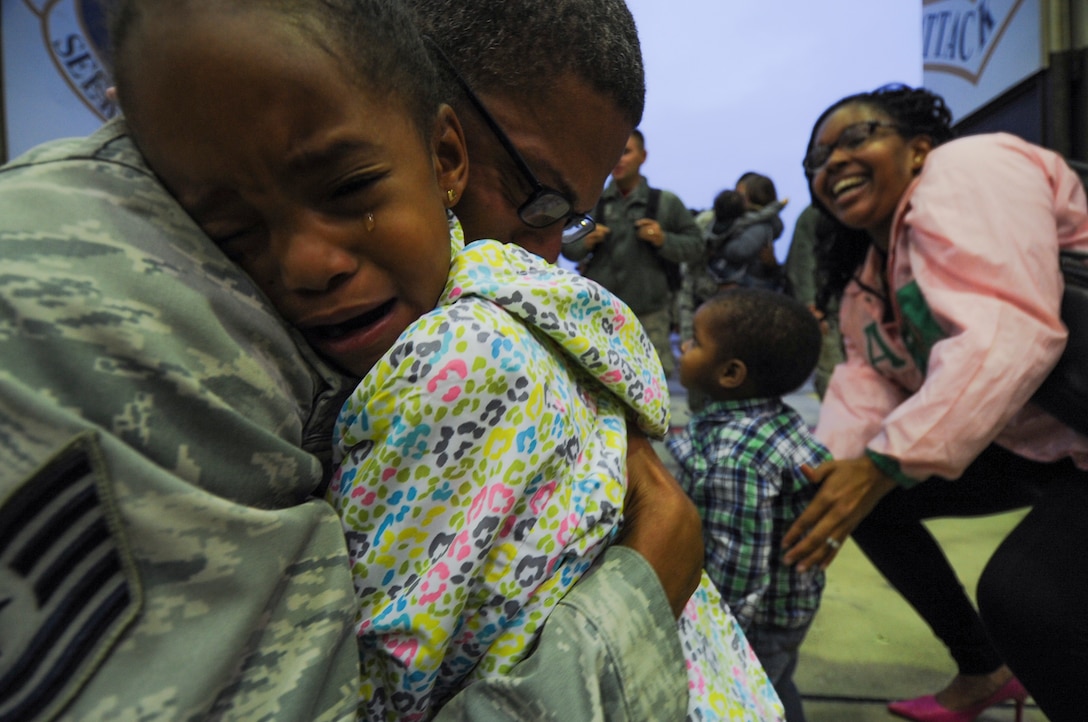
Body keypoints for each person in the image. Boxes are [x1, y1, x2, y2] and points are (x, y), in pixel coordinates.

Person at [0, 2, 708, 722]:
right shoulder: (68, 305)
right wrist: (637, 596)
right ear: (443, 137)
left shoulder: (452, 327)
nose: (547, 251)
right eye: (537, 196)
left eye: (570, 217)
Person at [780, 83, 1088, 722]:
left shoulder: (971, 169)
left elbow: (1007, 331)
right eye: (816, 159)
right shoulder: (870, 276)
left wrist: (884, 463)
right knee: (863, 503)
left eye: (855, 138)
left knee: (1025, 598)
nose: (831, 162)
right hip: (1042, 441)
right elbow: (865, 381)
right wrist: (829, 474)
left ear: (920, 148)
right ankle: (984, 670)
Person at [667, 288, 831, 722]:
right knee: (775, 683)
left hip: (755, 620)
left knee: (748, 693)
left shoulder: (737, 457)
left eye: (696, 343)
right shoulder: (768, 418)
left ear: (731, 373)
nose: (684, 348)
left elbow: (738, 562)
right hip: (786, 606)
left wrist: (715, 631)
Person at [561, 130, 705, 378]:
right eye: (614, 152)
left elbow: (696, 247)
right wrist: (585, 242)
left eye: (626, 152)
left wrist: (664, 240)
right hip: (599, 315)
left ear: (643, 156)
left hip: (651, 316)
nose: (618, 159)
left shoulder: (665, 203)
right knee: (598, 381)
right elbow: (566, 245)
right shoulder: (592, 202)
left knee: (653, 384)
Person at [782, 204, 844, 399]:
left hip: (856, 305)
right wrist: (809, 302)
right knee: (831, 372)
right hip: (826, 307)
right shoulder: (814, 215)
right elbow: (802, 260)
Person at [707, 173, 787, 292]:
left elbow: (741, 251)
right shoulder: (744, 221)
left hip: (749, 285)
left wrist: (719, 248)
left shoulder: (761, 227)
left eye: (740, 195)